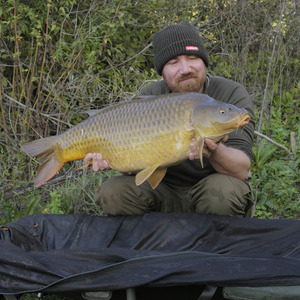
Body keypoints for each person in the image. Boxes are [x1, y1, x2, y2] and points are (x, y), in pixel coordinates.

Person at [84, 23, 255, 217]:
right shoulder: (151, 97)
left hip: (212, 191)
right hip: (163, 192)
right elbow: (136, 165)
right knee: (113, 192)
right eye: (173, 62)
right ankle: (150, 243)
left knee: (223, 193)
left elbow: (241, 170)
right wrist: (111, 158)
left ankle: (215, 245)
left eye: (192, 58)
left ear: (204, 62)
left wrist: (214, 151)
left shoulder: (230, 94)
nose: (185, 69)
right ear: (162, 72)